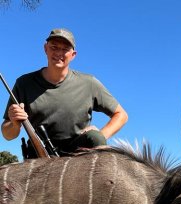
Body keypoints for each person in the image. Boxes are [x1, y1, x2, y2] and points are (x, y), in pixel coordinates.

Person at [1, 28, 128, 158]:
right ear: (46, 48)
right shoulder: (24, 83)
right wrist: (14, 124)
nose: (59, 53)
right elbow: (7, 134)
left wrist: (102, 134)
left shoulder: (89, 82)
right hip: (40, 153)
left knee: (95, 138)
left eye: (65, 49)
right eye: (54, 47)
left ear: (73, 54)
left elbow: (121, 115)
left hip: (79, 153)